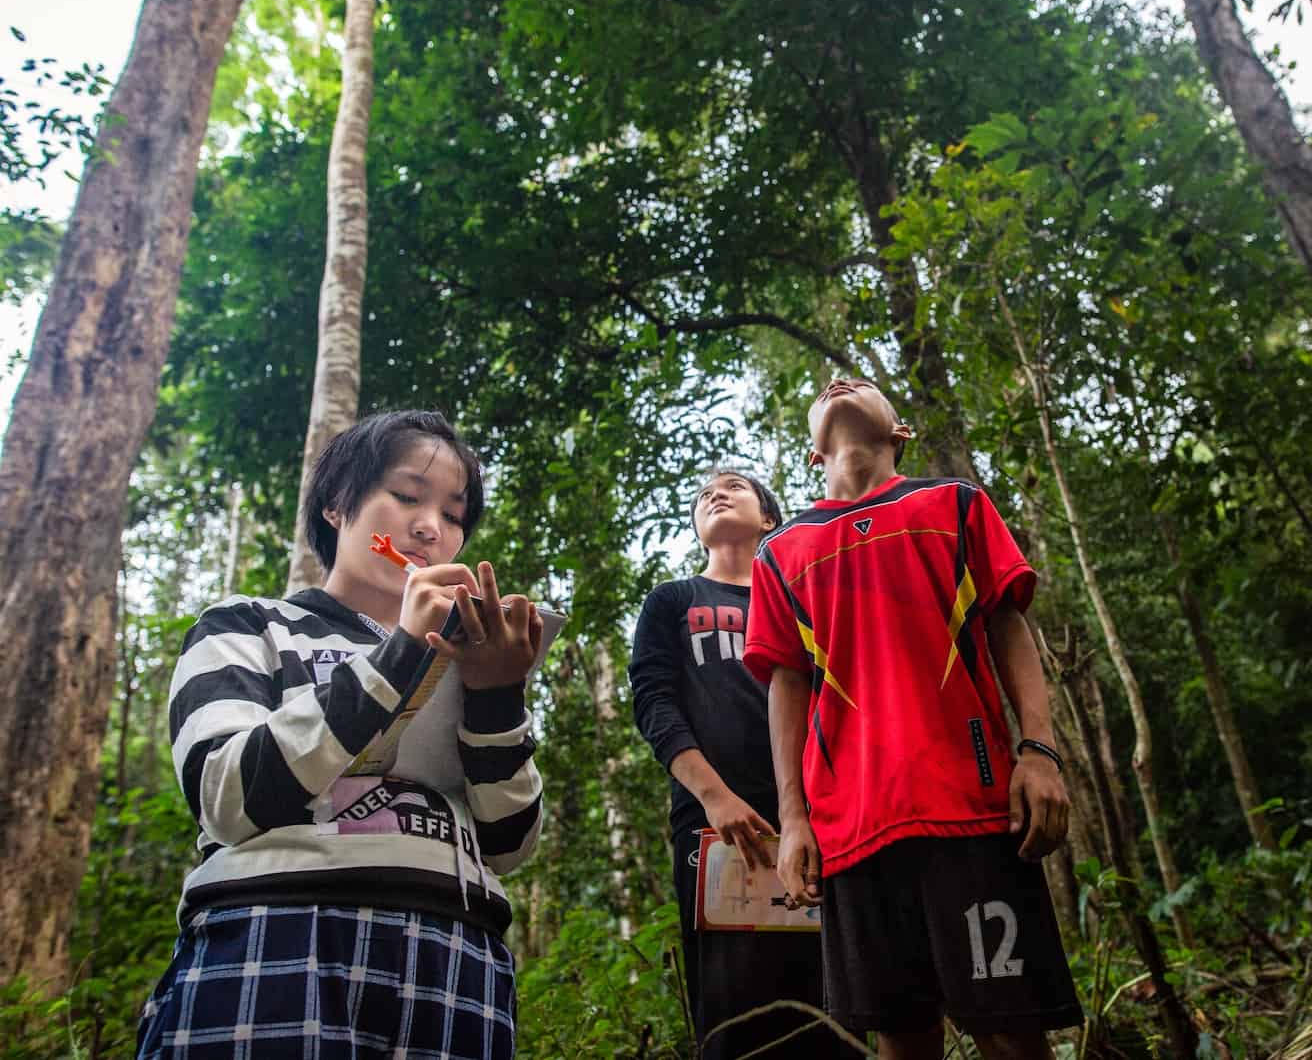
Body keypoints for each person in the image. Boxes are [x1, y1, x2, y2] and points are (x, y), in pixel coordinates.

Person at [137, 410, 545, 1059]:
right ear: (336, 504)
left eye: (454, 513)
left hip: (459, 955)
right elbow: (226, 793)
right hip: (277, 931)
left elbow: (508, 843)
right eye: (407, 496)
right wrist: (397, 656)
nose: (429, 527)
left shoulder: (469, 662)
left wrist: (495, 694)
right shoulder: (245, 626)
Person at [743, 379, 1084, 1059]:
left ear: (900, 431)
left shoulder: (953, 504)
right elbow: (787, 683)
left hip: (972, 808)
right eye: (828, 390)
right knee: (902, 1037)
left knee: (1011, 1031)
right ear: (813, 455)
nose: (839, 384)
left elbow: (1008, 625)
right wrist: (793, 818)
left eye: (863, 384)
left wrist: (1039, 750)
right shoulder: (780, 553)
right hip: (852, 829)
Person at [629, 468, 854, 1059]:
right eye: (703, 494)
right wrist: (714, 796)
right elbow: (654, 703)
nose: (714, 494)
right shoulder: (674, 600)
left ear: (770, 519)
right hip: (716, 826)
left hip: (824, 818)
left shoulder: (803, 597)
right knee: (735, 1013)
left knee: (834, 1001)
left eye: (734, 486)